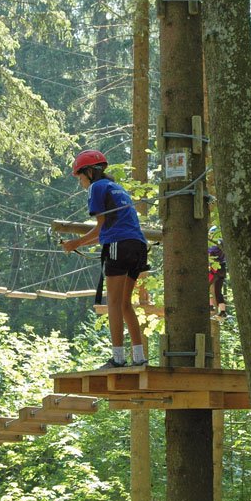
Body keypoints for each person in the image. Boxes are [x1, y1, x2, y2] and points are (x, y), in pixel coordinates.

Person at [62, 149, 150, 368]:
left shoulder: (96, 188)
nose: (80, 182)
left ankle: (118, 358)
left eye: (80, 177)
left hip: (118, 246)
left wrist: (75, 243)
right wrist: (79, 243)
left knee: (112, 303)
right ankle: (139, 358)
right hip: (138, 246)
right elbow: (106, 232)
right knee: (125, 303)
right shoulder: (117, 189)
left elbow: (101, 227)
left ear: (90, 172)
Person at [208, 226, 228, 318]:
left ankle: (210, 307)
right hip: (222, 269)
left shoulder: (214, 244)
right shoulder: (223, 243)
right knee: (217, 292)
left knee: (205, 286)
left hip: (214, 269)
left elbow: (210, 253)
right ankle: (222, 311)